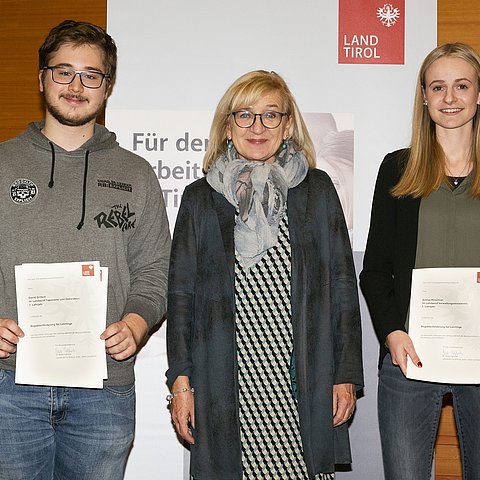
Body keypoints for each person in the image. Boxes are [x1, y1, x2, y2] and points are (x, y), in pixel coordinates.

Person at [166, 70, 363, 480]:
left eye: (271, 115)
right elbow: (181, 298)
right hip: (227, 383)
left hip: (301, 383)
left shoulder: (318, 191)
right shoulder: (200, 199)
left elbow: (344, 287)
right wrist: (181, 385)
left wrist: (344, 374)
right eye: (245, 115)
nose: (258, 126)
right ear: (227, 126)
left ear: (288, 125)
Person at [0, 20, 171, 479]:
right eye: (63, 71)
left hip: (104, 391)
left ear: (107, 86)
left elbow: (156, 269)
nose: (76, 86)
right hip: (9, 387)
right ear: (41, 79)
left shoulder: (136, 175)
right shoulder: (1, 165)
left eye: (91, 75)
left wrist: (136, 324)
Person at [360, 43, 480, 479]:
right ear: (424, 97)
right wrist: (392, 332)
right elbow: (374, 271)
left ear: (479, 94)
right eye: (438, 87)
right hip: (410, 358)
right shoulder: (397, 169)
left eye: (462, 86)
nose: (450, 98)